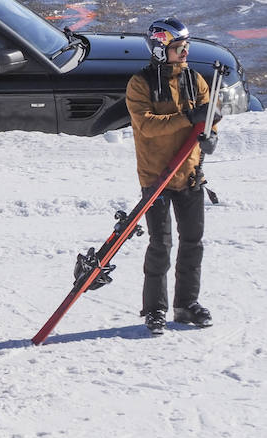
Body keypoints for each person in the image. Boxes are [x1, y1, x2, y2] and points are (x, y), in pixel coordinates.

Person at [127, 16, 219, 334]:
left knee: (193, 242)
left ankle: (186, 305)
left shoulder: (197, 80)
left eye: (186, 46)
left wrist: (211, 134)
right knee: (160, 244)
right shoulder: (140, 84)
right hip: (156, 177)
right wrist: (187, 117)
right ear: (159, 50)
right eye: (178, 48)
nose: (185, 53)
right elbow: (147, 125)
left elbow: (209, 117)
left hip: (191, 174)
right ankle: (155, 310)